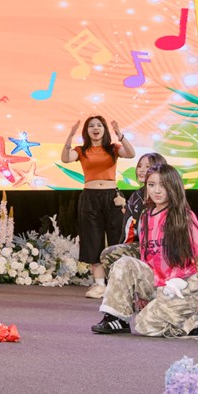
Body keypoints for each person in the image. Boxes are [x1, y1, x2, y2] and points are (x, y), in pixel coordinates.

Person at [92, 164, 198, 337]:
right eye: (151, 185)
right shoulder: (145, 216)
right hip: (158, 282)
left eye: (163, 185)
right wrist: (142, 294)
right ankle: (116, 319)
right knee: (124, 263)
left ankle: (197, 316)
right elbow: (147, 255)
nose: (156, 190)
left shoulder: (183, 216)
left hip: (182, 283)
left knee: (143, 325)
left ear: (173, 186)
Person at [61, 115, 135, 298]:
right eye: (91, 126)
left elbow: (131, 154)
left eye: (99, 125)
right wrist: (70, 135)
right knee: (93, 240)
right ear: (86, 131)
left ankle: (119, 283)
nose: (95, 128)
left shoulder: (113, 148)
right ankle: (99, 284)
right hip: (90, 197)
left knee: (118, 239)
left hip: (112, 197)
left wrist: (120, 134)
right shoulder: (81, 150)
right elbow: (65, 159)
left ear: (104, 129)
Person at [99, 152, 169, 274]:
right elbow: (129, 230)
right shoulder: (136, 196)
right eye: (139, 166)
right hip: (142, 246)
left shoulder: (166, 194)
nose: (141, 170)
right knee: (110, 254)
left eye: (147, 167)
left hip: (165, 247)